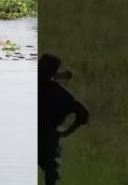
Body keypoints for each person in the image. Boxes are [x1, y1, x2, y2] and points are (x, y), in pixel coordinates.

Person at [40, 53, 90, 185]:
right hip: (47, 134)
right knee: (51, 173)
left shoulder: (56, 92)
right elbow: (83, 113)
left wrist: (66, 132)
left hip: (46, 135)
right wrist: (66, 132)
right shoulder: (57, 91)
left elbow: (83, 112)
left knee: (51, 174)